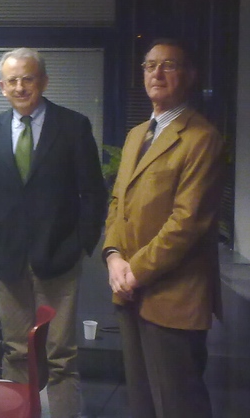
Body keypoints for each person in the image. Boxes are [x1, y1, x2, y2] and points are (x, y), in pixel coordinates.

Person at [0, 48, 107, 418]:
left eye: (28, 78)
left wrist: (81, 245)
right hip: (8, 263)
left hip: (59, 259)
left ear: (43, 81)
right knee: (16, 351)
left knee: (61, 355)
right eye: (12, 80)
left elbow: (93, 192)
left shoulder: (73, 126)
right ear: (1, 87)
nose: (20, 86)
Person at [103, 39, 223, 418]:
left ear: (189, 76)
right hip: (130, 291)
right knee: (141, 403)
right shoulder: (137, 134)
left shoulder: (202, 139)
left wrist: (134, 270)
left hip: (174, 296)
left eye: (168, 65)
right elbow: (118, 203)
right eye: (150, 65)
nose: (156, 73)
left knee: (178, 404)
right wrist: (113, 256)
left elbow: (186, 223)